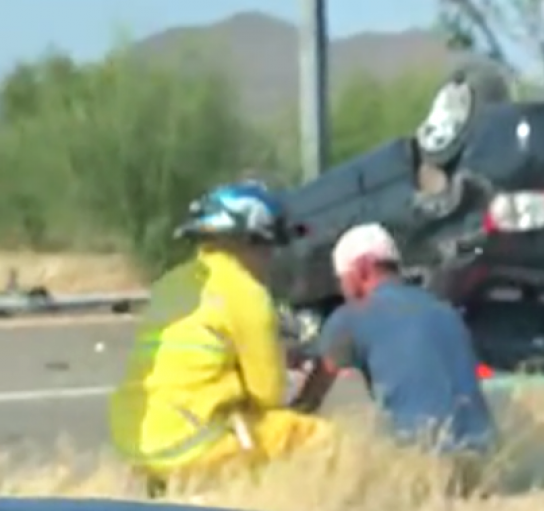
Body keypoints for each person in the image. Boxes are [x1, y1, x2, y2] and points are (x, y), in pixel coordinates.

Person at [108, 181, 332, 487]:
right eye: (268, 246)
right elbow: (268, 395)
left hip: (134, 437)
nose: (270, 257)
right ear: (247, 242)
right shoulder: (248, 294)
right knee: (318, 438)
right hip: (191, 440)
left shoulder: (173, 282)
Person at [292, 223, 497, 493]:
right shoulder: (444, 310)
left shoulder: (351, 316)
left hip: (423, 462)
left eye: (342, 278)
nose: (341, 288)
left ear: (362, 269)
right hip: (488, 460)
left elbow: (312, 399)